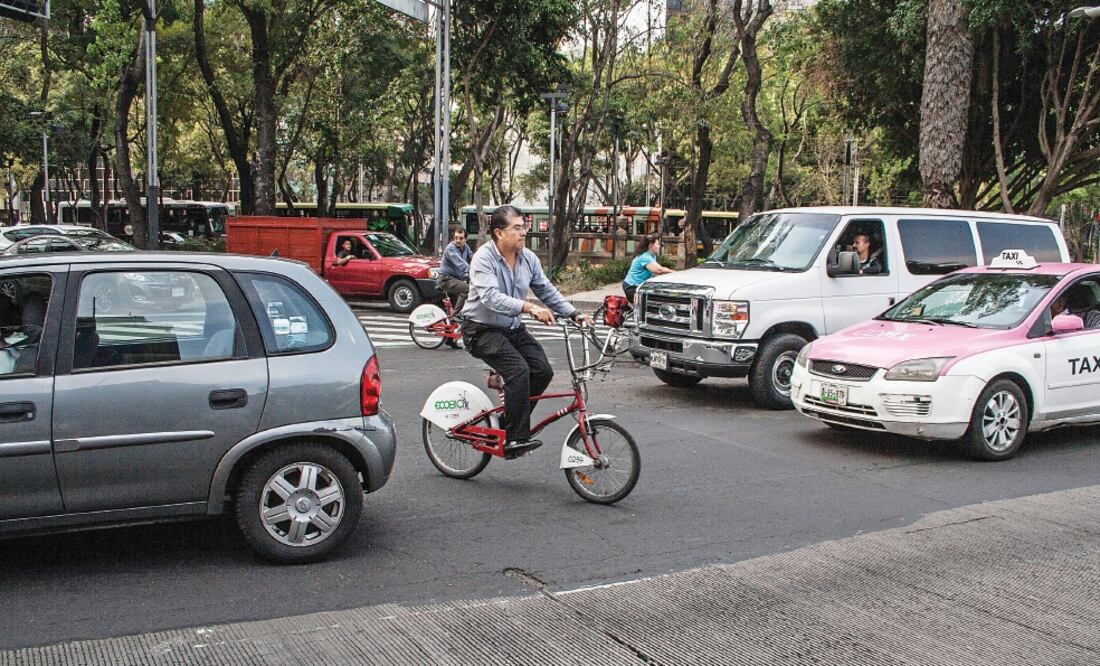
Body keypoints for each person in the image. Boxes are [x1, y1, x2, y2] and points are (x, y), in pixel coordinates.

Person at [460, 205, 589, 455]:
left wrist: (573, 313)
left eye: (524, 227)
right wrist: (529, 308)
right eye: (517, 228)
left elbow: (545, 289)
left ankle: (511, 423)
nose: (523, 233)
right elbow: (490, 298)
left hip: (511, 328)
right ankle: (515, 439)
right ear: (499, 233)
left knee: (542, 370)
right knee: (519, 369)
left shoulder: (528, 258)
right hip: (481, 330)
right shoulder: (483, 258)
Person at [622, 234, 675, 303]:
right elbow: (659, 270)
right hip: (632, 287)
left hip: (640, 286)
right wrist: (675, 273)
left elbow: (655, 271)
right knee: (644, 306)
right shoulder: (644, 257)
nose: (659, 246)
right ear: (651, 246)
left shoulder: (652, 255)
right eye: (657, 244)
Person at [437, 228, 472, 312]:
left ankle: (459, 315)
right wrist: (474, 270)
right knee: (468, 289)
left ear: (466, 239)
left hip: (455, 279)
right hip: (446, 279)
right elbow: (460, 264)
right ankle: (456, 315)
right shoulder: (450, 249)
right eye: (456, 238)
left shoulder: (466, 247)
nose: (458, 240)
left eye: (461, 238)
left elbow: (472, 258)